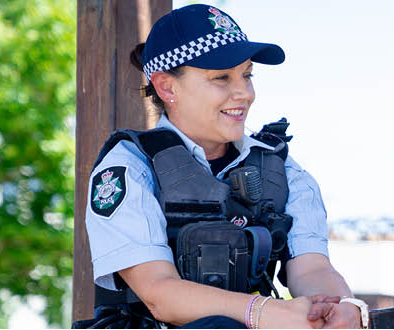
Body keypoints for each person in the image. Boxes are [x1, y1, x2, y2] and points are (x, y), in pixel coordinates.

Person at [80, 4, 367, 329]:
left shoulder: (282, 170)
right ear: (166, 87)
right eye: (221, 78)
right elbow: (160, 293)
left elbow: (312, 269)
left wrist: (341, 307)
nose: (244, 92)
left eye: (247, 74)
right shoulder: (130, 168)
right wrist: (264, 312)